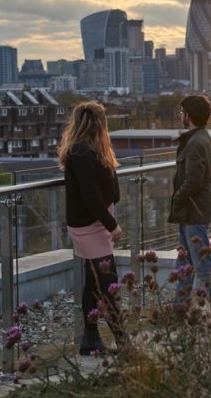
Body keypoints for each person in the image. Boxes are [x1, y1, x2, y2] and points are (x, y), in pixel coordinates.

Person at [58, 101, 124, 356]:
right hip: (90, 225)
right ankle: (123, 341)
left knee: (93, 283)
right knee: (108, 282)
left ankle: (90, 339)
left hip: (95, 222)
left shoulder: (90, 150)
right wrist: (112, 226)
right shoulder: (82, 153)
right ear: (98, 123)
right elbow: (90, 195)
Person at [168, 94, 211, 319]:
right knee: (185, 263)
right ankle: (178, 312)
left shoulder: (195, 141)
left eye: (181, 110)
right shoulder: (199, 137)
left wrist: (177, 198)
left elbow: (194, 179)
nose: (179, 114)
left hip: (193, 212)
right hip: (191, 211)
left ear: (189, 115)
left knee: (203, 267)